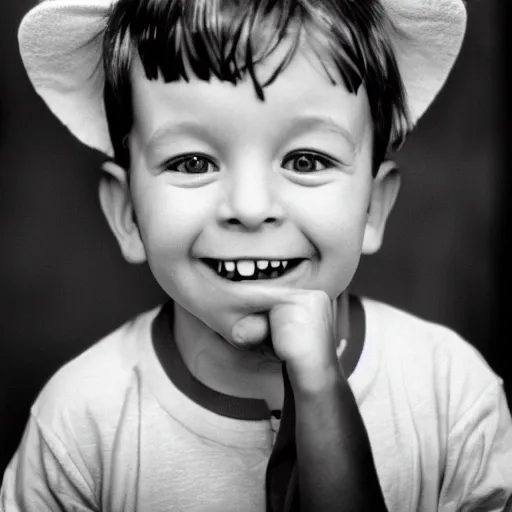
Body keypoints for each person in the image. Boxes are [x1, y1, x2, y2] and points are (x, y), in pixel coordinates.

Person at [2, 0, 511, 510]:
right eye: (193, 161)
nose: (249, 208)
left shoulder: (453, 399)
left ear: (374, 207)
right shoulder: (77, 427)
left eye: (306, 160)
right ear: (128, 213)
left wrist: (320, 391)